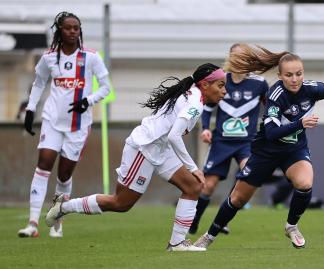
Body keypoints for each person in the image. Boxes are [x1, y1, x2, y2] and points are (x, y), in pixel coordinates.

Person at [193, 45, 324, 249]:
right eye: (289, 75)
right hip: (266, 150)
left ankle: (291, 226)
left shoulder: (313, 89)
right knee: (237, 199)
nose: (295, 79)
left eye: (299, 74)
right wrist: (300, 124)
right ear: (280, 76)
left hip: (294, 149)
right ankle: (208, 237)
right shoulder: (275, 94)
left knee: (305, 183)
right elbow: (272, 133)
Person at [46, 63, 227, 252]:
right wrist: (193, 167)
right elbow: (174, 136)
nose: (224, 91)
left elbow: (171, 135)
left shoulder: (193, 92)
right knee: (121, 203)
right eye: (220, 85)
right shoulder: (195, 103)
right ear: (205, 85)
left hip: (160, 148)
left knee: (193, 187)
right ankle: (64, 207)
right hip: (145, 147)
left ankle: (176, 244)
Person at [18, 11, 111, 238]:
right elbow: (39, 84)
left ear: (80, 31)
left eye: (76, 28)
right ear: (59, 30)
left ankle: (57, 220)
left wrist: (87, 101)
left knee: (64, 176)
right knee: (44, 164)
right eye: (68, 28)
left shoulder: (91, 57)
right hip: (52, 121)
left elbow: (106, 88)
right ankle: (32, 224)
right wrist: (30, 109)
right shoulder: (49, 57)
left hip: (78, 126)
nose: (72, 31)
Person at [188, 43, 269, 235]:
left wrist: (269, 128)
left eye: (243, 58)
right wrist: (206, 129)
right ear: (229, 59)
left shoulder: (260, 83)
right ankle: (194, 221)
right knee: (208, 186)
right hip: (221, 142)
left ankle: (222, 219)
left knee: (248, 175)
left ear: (249, 60)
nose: (239, 61)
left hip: (247, 142)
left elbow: (271, 107)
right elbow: (207, 108)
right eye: (235, 57)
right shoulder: (221, 80)